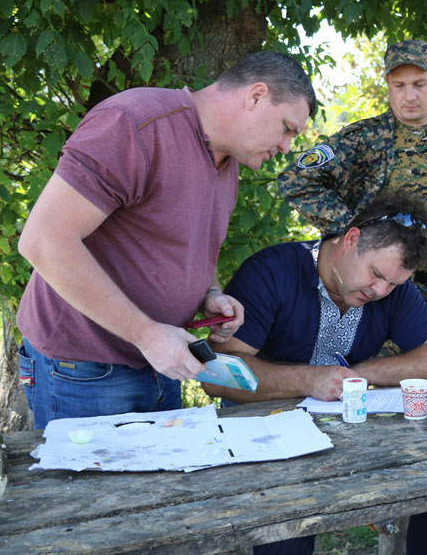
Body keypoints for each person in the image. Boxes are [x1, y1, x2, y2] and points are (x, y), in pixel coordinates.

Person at [278, 39, 427, 554]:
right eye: (398, 85)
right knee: (381, 421)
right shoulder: (366, 138)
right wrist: (355, 231)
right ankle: (373, 521)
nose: (409, 96)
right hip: (388, 301)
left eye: (419, 84)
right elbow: (294, 178)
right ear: (387, 87)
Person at [16, 51, 317, 430]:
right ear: (256, 96)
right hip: (83, 371)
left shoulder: (230, 163)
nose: (288, 146)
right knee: (93, 492)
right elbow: (43, 240)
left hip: (162, 366)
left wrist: (210, 294)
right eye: (288, 128)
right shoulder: (137, 122)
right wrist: (145, 333)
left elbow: (178, 245)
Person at [201, 192, 427, 555]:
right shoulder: (272, 271)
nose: (380, 291)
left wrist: (361, 372)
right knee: (289, 520)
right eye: (376, 274)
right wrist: (308, 381)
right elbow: (217, 375)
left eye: (393, 284)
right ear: (352, 239)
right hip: (267, 441)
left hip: (350, 436)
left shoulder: (391, 292)